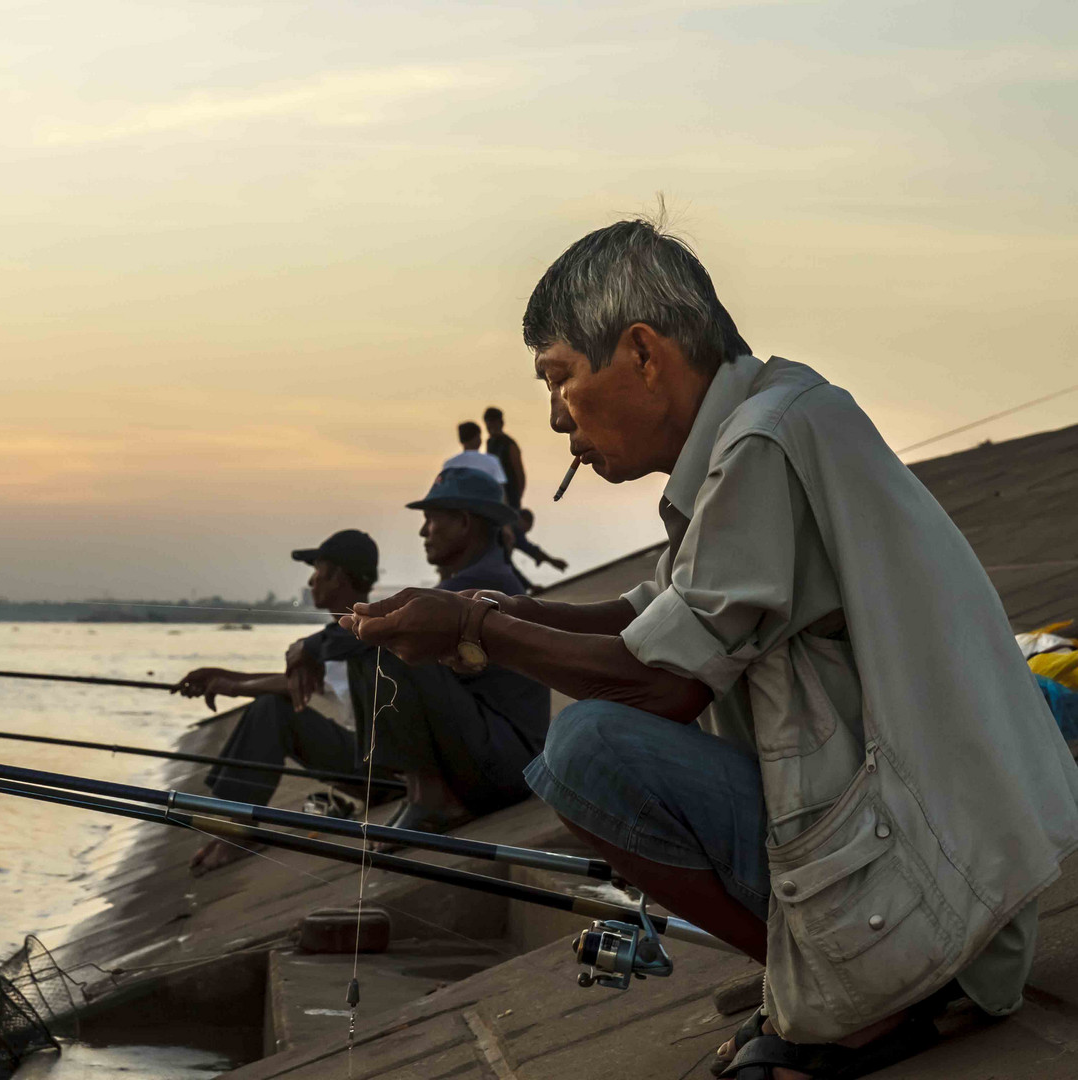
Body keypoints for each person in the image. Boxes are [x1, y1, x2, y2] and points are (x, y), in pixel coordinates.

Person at [342, 217, 1078, 1080]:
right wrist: (487, 608)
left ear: (643, 355)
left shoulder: (763, 442)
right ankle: (831, 979)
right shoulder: (774, 418)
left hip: (942, 885)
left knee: (589, 751)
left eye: (561, 378)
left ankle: (875, 1001)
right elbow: (654, 615)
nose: (555, 417)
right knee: (596, 739)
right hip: (956, 870)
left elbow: (662, 682)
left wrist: (474, 630)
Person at [320, 467, 549, 835]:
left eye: (431, 520)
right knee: (375, 638)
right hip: (486, 754)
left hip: (507, 766)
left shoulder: (486, 582)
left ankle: (429, 798)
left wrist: (310, 646)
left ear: (462, 522)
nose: (423, 532)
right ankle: (418, 793)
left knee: (393, 637)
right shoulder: (468, 581)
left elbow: (346, 638)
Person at [174, 529, 377, 874]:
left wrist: (231, 685)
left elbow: (290, 688)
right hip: (370, 764)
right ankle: (233, 827)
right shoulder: (338, 640)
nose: (311, 582)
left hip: (383, 769)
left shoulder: (360, 633)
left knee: (270, 711)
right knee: (271, 707)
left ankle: (238, 831)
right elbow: (296, 683)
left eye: (317, 572)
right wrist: (222, 678)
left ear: (338, 576)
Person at [482, 406, 526, 507]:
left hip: (509, 494)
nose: (490, 426)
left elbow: (519, 472)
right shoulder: (490, 442)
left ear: (500, 423)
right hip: (495, 494)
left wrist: (517, 496)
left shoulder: (509, 444)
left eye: (493, 422)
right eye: (488, 423)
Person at [442, 421, 508, 485]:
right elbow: (500, 486)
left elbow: (444, 487)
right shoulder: (492, 461)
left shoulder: (449, 464)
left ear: (461, 440)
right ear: (478, 438)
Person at [509, 507, 567, 576]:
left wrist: (550, 560)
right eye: (525, 531)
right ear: (524, 521)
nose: (523, 534)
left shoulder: (510, 517)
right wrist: (552, 561)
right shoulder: (515, 528)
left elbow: (528, 547)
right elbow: (527, 547)